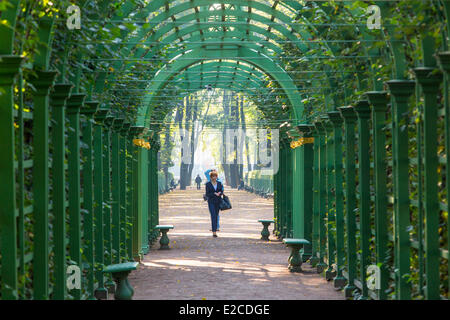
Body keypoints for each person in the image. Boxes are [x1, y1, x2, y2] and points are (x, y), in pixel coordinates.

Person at [205, 170, 223, 238]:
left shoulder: (219, 183)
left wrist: (219, 193)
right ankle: (214, 232)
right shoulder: (208, 184)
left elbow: (222, 191)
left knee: (216, 215)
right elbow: (207, 194)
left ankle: (215, 229)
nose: (214, 177)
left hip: (218, 202)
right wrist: (214, 193)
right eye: (213, 176)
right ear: (211, 177)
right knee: (213, 215)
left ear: (217, 176)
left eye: (215, 176)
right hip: (211, 202)